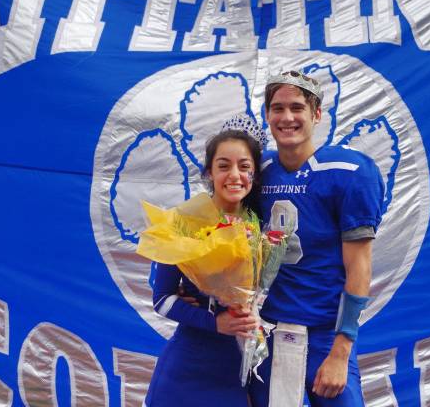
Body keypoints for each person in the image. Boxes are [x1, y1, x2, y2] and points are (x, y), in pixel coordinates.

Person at [249, 70, 385, 406]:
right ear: (267, 115)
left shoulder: (350, 171)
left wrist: (342, 351)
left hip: (324, 335)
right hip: (268, 333)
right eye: (277, 108)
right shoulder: (256, 169)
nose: (287, 117)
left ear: (317, 114)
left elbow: (360, 267)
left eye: (297, 107)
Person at [144, 126, 266, 407]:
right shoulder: (182, 222)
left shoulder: (259, 224)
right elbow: (161, 300)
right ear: (209, 172)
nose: (234, 175)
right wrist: (215, 322)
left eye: (244, 166)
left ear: (254, 175)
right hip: (187, 372)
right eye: (223, 166)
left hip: (237, 373)